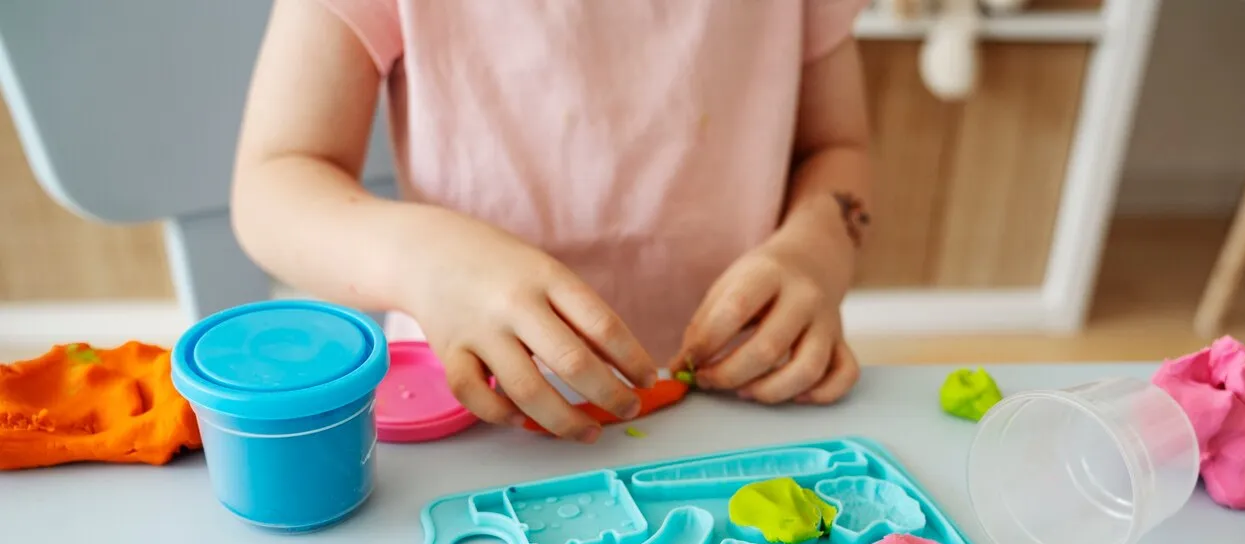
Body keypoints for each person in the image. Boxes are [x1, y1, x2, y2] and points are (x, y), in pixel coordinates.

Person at [231, 0, 872, 443]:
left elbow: (836, 147)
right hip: (468, 409)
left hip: (746, 390)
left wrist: (817, 250)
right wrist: (426, 260)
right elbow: (274, 184)